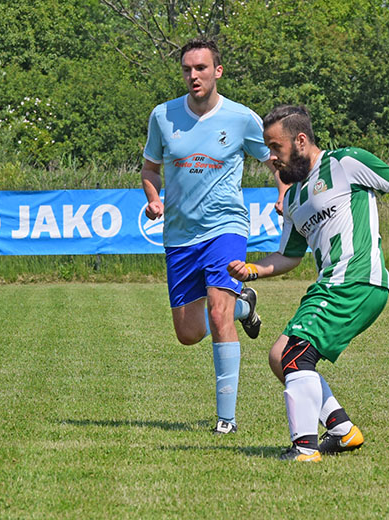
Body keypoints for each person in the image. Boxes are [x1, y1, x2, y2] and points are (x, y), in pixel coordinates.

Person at [228, 105, 389, 460]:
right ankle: (342, 431)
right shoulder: (294, 199)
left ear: (300, 141)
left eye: (276, 148)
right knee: (279, 357)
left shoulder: (345, 163)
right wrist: (253, 270)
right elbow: (289, 256)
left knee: (294, 355)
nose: (271, 158)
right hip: (331, 283)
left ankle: (305, 448)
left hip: (355, 279)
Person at [141, 38, 286, 434]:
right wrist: (154, 198)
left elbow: (274, 158)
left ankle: (226, 419)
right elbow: (150, 169)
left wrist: (283, 192)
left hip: (226, 228)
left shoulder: (241, 118)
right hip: (179, 235)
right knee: (189, 334)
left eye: (201, 68)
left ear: (217, 71)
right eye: (187, 69)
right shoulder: (163, 116)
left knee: (218, 313)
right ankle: (246, 306)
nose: (193, 76)